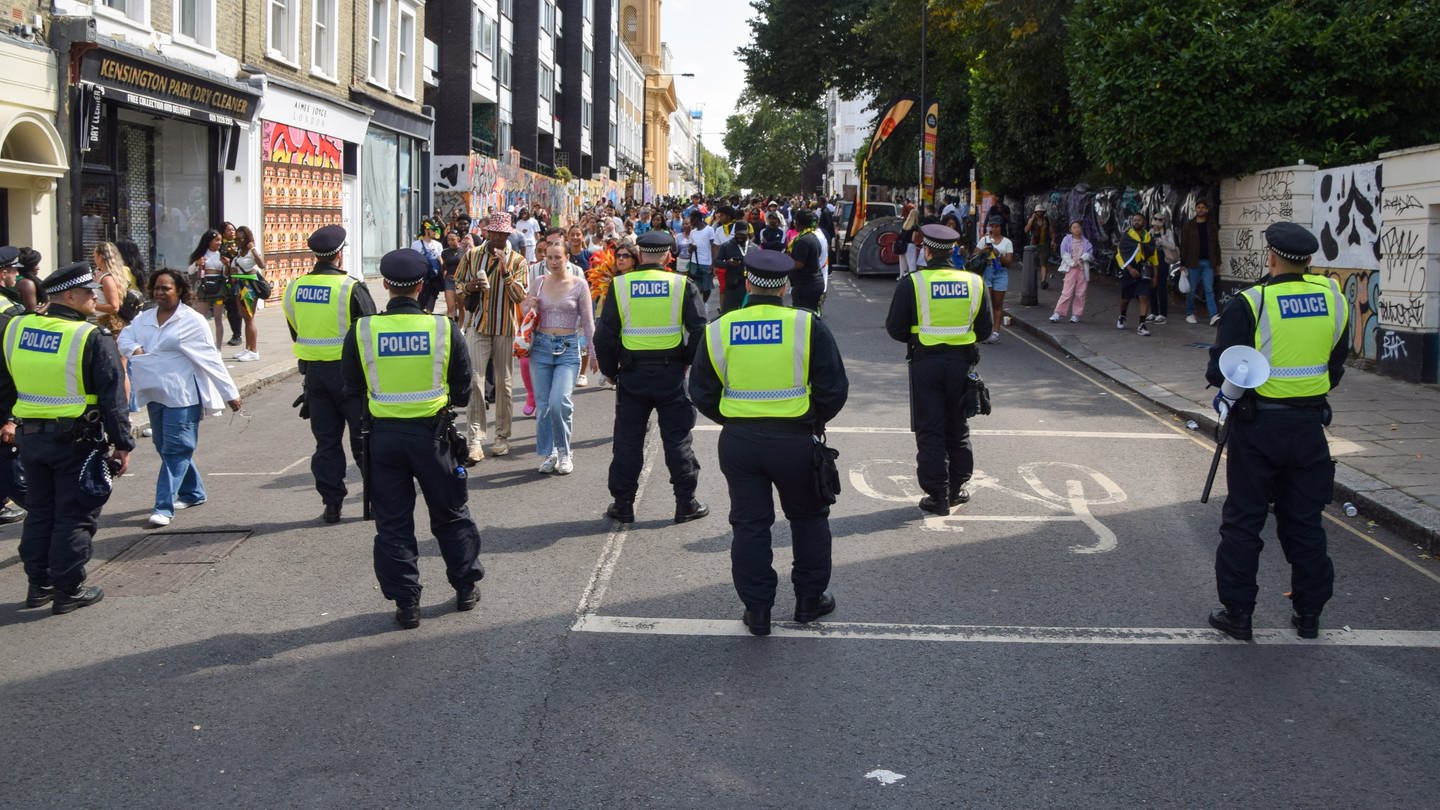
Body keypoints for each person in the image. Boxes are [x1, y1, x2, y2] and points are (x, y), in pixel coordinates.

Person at [688, 250, 849, 636]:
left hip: (740, 442)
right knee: (809, 519)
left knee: (750, 525)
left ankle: (758, 610)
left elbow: (702, 391)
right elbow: (834, 389)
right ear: (786, 286)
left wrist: (735, 419)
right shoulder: (807, 326)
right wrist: (812, 418)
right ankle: (810, 601)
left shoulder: (720, 328)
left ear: (747, 283)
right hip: (795, 439)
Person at [1205, 222, 1349, 641]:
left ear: (1270, 257)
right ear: (1309, 260)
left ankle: (1239, 615)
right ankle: (1309, 616)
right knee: (1304, 522)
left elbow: (1219, 369)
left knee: (1244, 521)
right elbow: (1336, 364)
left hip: (1257, 426)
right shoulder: (1334, 299)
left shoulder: (1252, 301)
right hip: (1308, 428)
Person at [341, 248, 483, 630]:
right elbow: (463, 387)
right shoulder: (442, 327)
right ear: (422, 286)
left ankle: (407, 604)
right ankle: (465, 587)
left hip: (383, 439)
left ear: (386, 285)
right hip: (432, 438)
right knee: (451, 514)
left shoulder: (363, 330)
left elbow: (352, 387)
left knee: (393, 524)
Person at [0, 262, 134, 614]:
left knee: (41, 512)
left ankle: (38, 586)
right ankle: (68, 590)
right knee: (74, 515)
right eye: (90, 292)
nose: (96, 296)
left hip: (30, 440)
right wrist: (123, 444)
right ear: (70, 296)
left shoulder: (17, 328)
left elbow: (4, 382)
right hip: (76, 441)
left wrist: (6, 421)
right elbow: (112, 396)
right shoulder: (90, 336)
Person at [594, 229, 708, 524]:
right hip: (670, 372)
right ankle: (686, 503)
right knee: (677, 439)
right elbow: (699, 330)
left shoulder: (620, 286)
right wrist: (686, 361)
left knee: (628, 441)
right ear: (669, 255)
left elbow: (604, 335)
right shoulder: (682, 284)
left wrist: (610, 371)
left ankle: (623, 504)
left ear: (640, 254)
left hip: (632, 374)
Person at [118, 269, 242, 527]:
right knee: (166, 447)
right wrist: (135, 348)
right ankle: (193, 492)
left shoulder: (192, 321)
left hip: (183, 396)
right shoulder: (145, 318)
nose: (160, 293)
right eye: (157, 288)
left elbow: (211, 359)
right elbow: (125, 336)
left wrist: (230, 393)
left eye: (166, 288)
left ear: (180, 291)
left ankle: (163, 506)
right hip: (155, 394)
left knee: (176, 449)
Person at [886, 224, 992, 515]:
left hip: (926, 363)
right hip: (962, 365)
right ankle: (957, 489)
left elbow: (895, 329)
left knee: (930, 428)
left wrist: (919, 335)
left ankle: (937, 494)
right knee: (958, 428)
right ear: (954, 251)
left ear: (926, 250)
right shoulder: (975, 282)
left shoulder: (912, 282)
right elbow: (985, 329)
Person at [283, 224, 378, 523]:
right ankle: (375, 499)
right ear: (339, 254)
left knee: (326, 443)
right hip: (350, 377)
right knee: (363, 440)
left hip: (315, 377)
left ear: (315, 255)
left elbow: (296, 330)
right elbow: (369, 330)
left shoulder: (294, 288)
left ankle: (332, 503)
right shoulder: (351, 287)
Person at [455, 211, 528, 462]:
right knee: (475, 380)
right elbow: (458, 284)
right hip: (477, 324)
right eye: (494, 232)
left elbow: (520, 296)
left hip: (505, 326)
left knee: (505, 384)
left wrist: (506, 271)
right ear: (487, 232)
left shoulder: (518, 261)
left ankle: (502, 436)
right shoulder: (472, 256)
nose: (498, 237)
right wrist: (470, 287)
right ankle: (475, 438)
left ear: (508, 234)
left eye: (503, 233)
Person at [523, 242, 595, 475]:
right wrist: (530, 305)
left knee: (559, 401)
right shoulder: (539, 282)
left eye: (558, 258)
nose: (553, 262)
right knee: (543, 405)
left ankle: (565, 451)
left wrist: (593, 353)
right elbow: (525, 312)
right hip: (541, 348)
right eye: (549, 258)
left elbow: (588, 322)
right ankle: (550, 452)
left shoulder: (579, 284)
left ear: (567, 259)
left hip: (568, 348)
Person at [1180, 200, 1223, 326]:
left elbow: (1216, 245)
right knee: (1192, 289)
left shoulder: (1211, 225)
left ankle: (1213, 315)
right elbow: (1184, 245)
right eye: (1198, 207)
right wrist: (1183, 263)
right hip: (1193, 262)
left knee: (1209, 289)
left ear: (1207, 209)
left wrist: (1218, 262)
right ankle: (1189, 313)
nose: (1200, 209)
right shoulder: (1189, 225)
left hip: (1208, 262)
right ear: (1195, 209)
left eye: (1203, 207)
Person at [1115, 212, 1157, 336]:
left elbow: (1154, 257)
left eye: (1139, 220)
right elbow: (1120, 254)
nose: (1136, 222)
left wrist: (1155, 275)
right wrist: (1130, 269)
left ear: (1144, 222)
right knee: (1126, 298)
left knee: (1144, 296)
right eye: (1135, 220)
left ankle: (1142, 324)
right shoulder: (1127, 236)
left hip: (1144, 269)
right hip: (1130, 269)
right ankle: (1122, 316)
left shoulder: (1148, 237)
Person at [190, 229, 233, 349]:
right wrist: (197, 263)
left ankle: (218, 347)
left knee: (218, 319)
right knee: (199, 317)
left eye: (220, 240)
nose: (219, 243)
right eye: (216, 240)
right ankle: (198, 344)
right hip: (204, 287)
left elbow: (226, 274)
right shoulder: (201, 254)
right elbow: (190, 270)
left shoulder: (223, 254)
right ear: (209, 241)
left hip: (219, 288)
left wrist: (227, 265)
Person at [229, 225, 265, 361]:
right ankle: (247, 348)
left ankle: (254, 351)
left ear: (246, 238)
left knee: (249, 318)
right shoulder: (239, 251)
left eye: (240, 239)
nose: (237, 242)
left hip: (249, 286)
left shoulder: (251, 250)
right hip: (240, 285)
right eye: (235, 239)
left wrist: (253, 249)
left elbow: (262, 265)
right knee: (245, 318)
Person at [977, 215, 1013, 342]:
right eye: (991, 226)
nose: (993, 228)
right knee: (987, 304)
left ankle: (996, 333)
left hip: (1000, 273)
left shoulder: (1007, 242)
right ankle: (986, 330)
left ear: (1001, 227)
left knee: (997, 305)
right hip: (987, 271)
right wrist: (983, 251)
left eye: (996, 226)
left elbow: (1009, 262)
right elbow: (974, 255)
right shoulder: (984, 240)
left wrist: (998, 254)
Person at [92, 241, 137, 335]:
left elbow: (114, 307)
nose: (94, 259)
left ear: (101, 257)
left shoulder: (107, 279)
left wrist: (92, 305)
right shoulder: (105, 276)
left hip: (111, 325)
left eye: (95, 255)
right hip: (108, 323)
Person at [1051, 220, 1093, 323]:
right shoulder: (1066, 240)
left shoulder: (1086, 242)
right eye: (1074, 227)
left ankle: (1076, 314)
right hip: (1071, 269)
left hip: (1082, 269)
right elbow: (1064, 253)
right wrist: (1071, 262)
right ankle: (1058, 313)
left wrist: (1083, 258)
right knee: (1066, 292)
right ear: (1070, 230)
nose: (1076, 229)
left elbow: (1090, 254)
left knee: (1081, 293)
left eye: (1078, 227)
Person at [787, 209, 826, 312]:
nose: (794, 223)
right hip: (812, 283)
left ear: (799, 223)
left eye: (795, 221)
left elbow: (799, 264)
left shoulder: (804, 241)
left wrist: (783, 264)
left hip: (807, 285)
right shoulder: (812, 236)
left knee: (803, 316)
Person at [714, 220, 757, 315]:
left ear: (747, 233)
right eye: (738, 234)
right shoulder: (726, 246)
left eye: (743, 234)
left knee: (748, 315)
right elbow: (717, 262)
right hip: (732, 285)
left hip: (749, 287)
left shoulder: (754, 248)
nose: (740, 237)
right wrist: (728, 263)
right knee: (729, 314)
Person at [1148, 215, 1177, 325]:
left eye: (1160, 220)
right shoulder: (1150, 232)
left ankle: (1163, 313)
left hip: (1163, 260)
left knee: (1161, 285)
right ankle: (1154, 312)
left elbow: (1173, 246)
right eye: (1155, 219)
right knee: (1151, 286)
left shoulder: (1167, 232)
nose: (1157, 222)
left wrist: (1161, 240)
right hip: (1152, 261)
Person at [410, 222, 445, 313]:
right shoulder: (416, 245)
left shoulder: (438, 245)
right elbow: (413, 261)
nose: (435, 232)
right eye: (433, 230)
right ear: (426, 230)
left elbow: (441, 261)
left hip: (434, 278)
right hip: (421, 278)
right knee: (420, 302)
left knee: (430, 304)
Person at [685, 210, 716, 305]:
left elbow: (713, 247)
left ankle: (704, 304)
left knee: (707, 287)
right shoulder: (692, 232)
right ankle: (698, 305)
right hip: (694, 263)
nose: (691, 222)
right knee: (695, 287)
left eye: (692, 220)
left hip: (707, 263)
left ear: (698, 219)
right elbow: (689, 250)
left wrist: (713, 264)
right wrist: (691, 248)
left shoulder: (709, 230)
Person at [15, 247, 45, 312]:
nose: (38, 268)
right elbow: (31, 313)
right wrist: (49, 303)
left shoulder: (15, 279)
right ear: (29, 266)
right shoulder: (26, 283)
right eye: (35, 264)